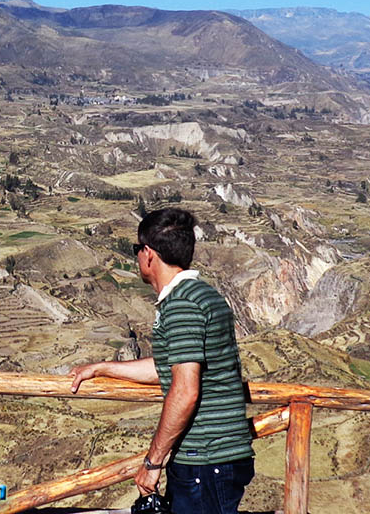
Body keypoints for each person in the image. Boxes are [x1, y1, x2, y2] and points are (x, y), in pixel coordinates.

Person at [71, 208, 255, 514]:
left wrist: (152, 462)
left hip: (205, 460)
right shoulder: (203, 295)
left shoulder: (182, 305)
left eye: (136, 250)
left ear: (148, 254)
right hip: (220, 457)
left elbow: (185, 391)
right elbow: (169, 367)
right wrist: (102, 368)